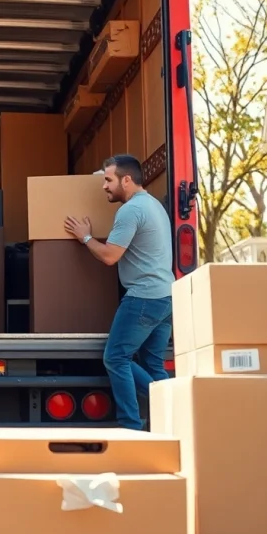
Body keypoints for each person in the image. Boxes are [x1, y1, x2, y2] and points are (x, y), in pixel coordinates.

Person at [63, 154, 174, 431]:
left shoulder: (131, 211)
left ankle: (132, 426)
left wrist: (85, 237)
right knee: (153, 364)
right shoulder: (154, 205)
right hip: (166, 296)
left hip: (144, 297)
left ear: (127, 179)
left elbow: (110, 256)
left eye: (108, 180)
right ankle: (173, 419)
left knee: (116, 357)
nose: (104, 186)